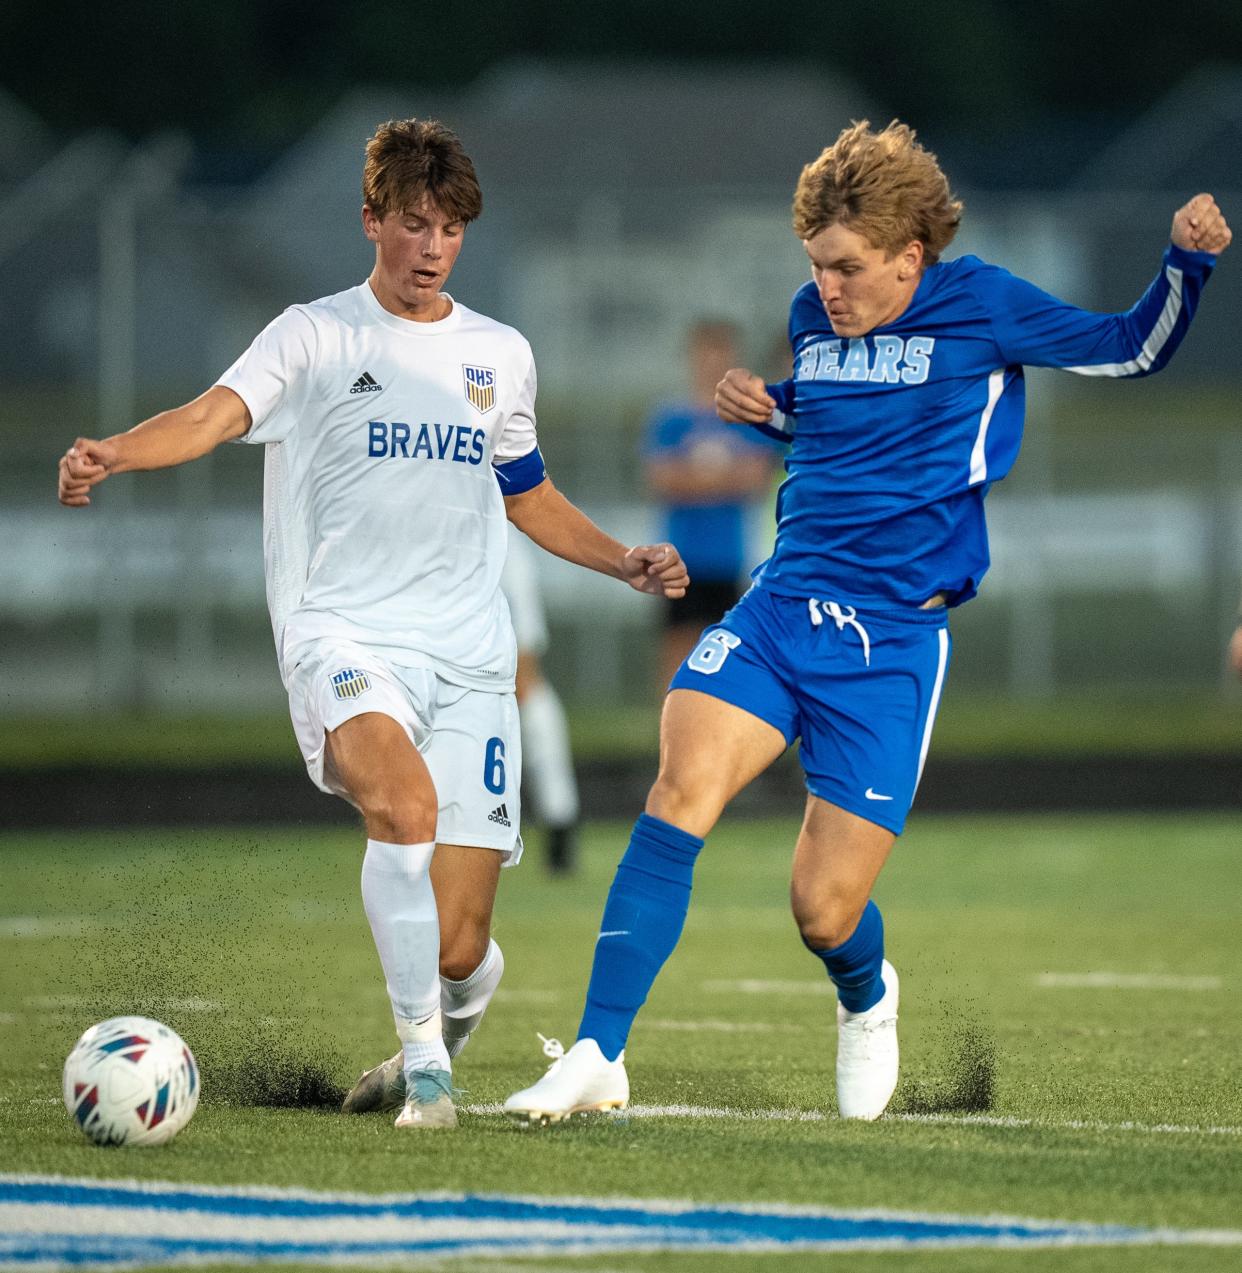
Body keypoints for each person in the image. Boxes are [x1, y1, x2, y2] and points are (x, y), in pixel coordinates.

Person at [503, 120, 1231, 1125]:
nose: (827, 287)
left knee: (823, 908)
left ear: (910, 257)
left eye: (848, 268)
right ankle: (598, 1050)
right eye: (817, 267)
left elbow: (1127, 349)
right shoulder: (814, 317)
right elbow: (834, 410)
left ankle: (867, 993)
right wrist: (774, 407)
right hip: (782, 601)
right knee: (681, 788)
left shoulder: (986, 306)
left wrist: (1184, 264)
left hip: (891, 642)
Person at [57, 117, 688, 1132]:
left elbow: (527, 493)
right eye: (413, 223)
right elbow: (217, 414)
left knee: (457, 947)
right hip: (343, 635)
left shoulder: (499, 354)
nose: (432, 246)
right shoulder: (314, 335)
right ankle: (429, 1068)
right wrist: (115, 453)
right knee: (400, 805)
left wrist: (622, 559)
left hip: (471, 658)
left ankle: (447, 1015)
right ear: (371, 221)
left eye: (450, 229)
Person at [643, 320, 781, 690]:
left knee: (728, 655)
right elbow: (663, 480)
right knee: (677, 651)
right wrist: (722, 478)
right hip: (680, 556)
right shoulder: (672, 419)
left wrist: (696, 476)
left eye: (720, 352)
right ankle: (669, 737)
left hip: (729, 557)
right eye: (705, 352)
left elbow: (755, 480)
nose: (712, 361)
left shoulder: (749, 418)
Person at [502, 525, 581, 874]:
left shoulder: (504, 541)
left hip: (493, 668)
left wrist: (522, 670)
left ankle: (560, 829)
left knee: (539, 719)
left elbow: (526, 648)